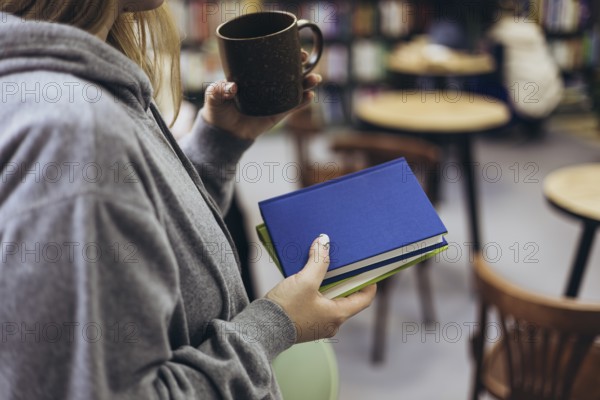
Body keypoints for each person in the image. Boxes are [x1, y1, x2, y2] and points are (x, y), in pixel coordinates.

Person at [0, 1, 377, 399]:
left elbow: (150, 239)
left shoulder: (71, 84)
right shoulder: (77, 133)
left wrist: (219, 143)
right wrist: (277, 322)